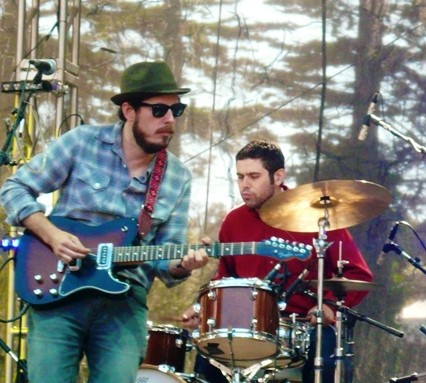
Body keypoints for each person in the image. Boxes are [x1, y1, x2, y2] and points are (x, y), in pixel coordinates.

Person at [0, 61, 210, 383]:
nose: (169, 120)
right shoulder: (82, 142)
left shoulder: (177, 177)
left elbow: (167, 259)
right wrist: (53, 235)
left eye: (176, 110)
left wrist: (184, 265)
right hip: (57, 289)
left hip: (124, 304)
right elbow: (14, 187)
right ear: (128, 110)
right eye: (158, 110)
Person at [182, 139, 373, 383]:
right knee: (208, 352)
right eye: (240, 177)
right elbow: (225, 279)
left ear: (278, 176)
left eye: (253, 176)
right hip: (247, 328)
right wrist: (204, 310)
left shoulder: (319, 216)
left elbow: (359, 275)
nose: (244, 185)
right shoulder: (234, 221)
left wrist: (329, 306)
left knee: (324, 347)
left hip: (304, 327)